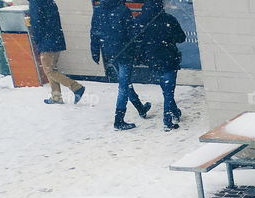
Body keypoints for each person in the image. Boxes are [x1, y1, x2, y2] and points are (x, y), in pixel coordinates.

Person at [90, 0, 151, 130]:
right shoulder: (123, 10)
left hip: (109, 53)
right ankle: (119, 120)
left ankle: (140, 108)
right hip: (124, 53)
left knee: (125, 83)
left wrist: (95, 52)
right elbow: (132, 34)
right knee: (123, 86)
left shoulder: (98, 10)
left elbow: (94, 32)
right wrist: (137, 52)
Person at [133, 0, 185, 130]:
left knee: (166, 88)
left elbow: (136, 41)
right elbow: (181, 37)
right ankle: (167, 120)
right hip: (169, 57)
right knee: (168, 91)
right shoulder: (168, 19)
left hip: (151, 59)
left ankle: (174, 111)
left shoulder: (139, 20)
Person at [27, 0, 84, 105]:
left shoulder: (36, 2)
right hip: (56, 39)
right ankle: (56, 97)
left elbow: (37, 23)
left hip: (47, 42)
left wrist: (37, 40)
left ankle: (76, 87)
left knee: (49, 71)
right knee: (52, 69)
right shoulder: (49, 1)